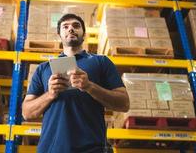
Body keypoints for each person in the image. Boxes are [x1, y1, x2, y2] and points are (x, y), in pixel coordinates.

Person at [22, 13, 129, 153]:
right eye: (65, 27)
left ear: (83, 34)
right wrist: (50, 94)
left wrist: (89, 86)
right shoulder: (43, 69)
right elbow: (27, 113)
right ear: (59, 35)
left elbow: (124, 103)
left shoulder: (101, 62)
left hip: (92, 149)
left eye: (76, 26)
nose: (71, 29)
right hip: (50, 149)